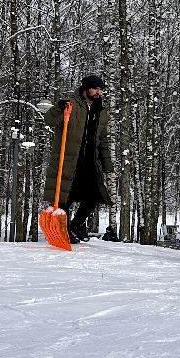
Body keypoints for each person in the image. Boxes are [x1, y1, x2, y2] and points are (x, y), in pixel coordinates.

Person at [43, 75, 114, 244]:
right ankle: (64, 231)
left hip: (90, 161)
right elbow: (49, 120)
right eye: (95, 88)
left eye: (100, 89)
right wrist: (58, 108)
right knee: (65, 197)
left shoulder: (101, 111)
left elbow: (102, 139)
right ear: (86, 89)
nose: (99, 92)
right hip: (69, 160)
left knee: (94, 196)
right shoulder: (70, 104)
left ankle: (75, 226)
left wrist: (106, 162)